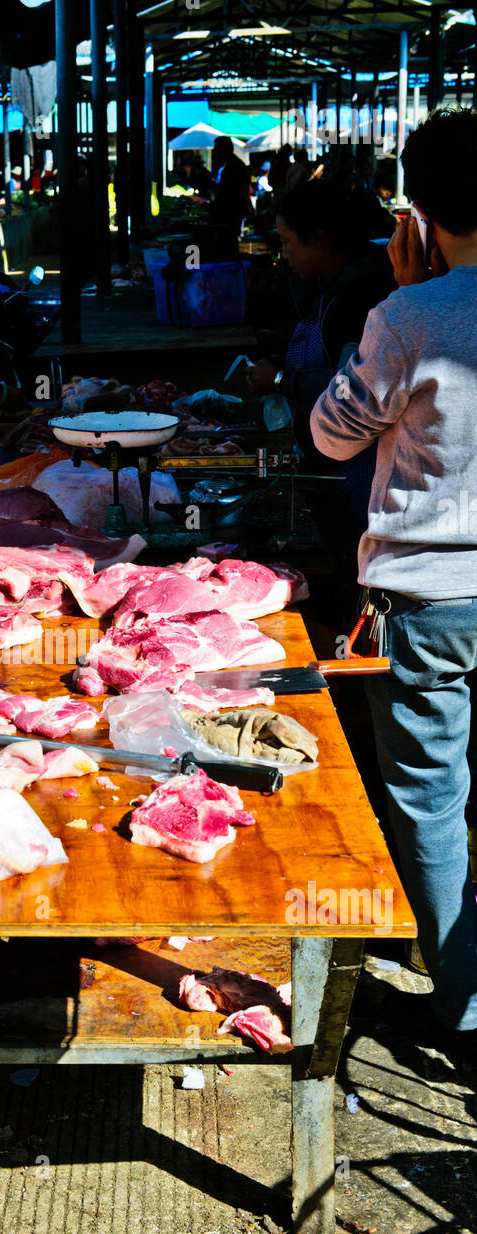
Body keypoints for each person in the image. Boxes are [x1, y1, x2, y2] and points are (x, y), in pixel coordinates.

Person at [309, 107, 477, 1048]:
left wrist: (405, 297)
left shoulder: (407, 317)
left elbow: (333, 433)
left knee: (430, 801)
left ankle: (460, 1002)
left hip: (427, 599)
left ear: (416, 211)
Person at [245, 179, 395, 558]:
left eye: (286, 241)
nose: (282, 253)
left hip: (362, 480)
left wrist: (281, 380)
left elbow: (350, 386)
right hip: (334, 469)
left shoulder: (360, 297)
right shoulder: (329, 287)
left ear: (319, 239)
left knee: (352, 570)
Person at [210, 136, 251, 247]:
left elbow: (230, 194)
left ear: (224, 150)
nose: (215, 152)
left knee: (228, 244)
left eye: (217, 149)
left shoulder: (234, 167)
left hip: (231, 214)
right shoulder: (232, 165)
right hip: (231, 214)